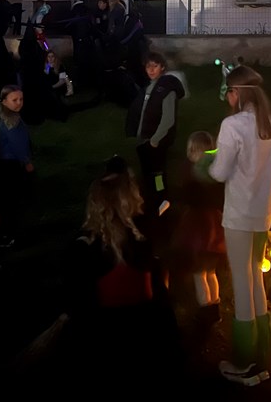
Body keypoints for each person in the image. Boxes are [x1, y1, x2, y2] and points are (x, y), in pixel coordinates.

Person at [54, 167, 183, 390]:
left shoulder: (82, 250)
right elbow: (161, 301)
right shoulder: (141, 243)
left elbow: (76, 305)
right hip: (145, 341)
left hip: (104, 345)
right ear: (129, 201)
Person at [207, 65, 271, 386]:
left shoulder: (232, 125)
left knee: (241, 280)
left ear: (237, 93)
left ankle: (244, 360)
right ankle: (262, 356)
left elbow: (220, 172)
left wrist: (207, 162)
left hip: (238, 215)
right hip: (262, 214)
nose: (227, 97)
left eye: (228, 92)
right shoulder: (268, 124)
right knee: (255, 277)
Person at [171, 130, 225, 340]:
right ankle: (214, 307)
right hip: (214, 229)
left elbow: (188, 195)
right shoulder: (215, 172)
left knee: (199, 273)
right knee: (210, 271)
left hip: (200, 232)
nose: (190, 154)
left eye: (193, 151)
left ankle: (206, 310)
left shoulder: (194, 174)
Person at [125, 52, 186, 222]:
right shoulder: (149, 88)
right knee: (147, 171)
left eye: (155, 66)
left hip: (155, 142)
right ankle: (150, 197)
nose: (151, 70)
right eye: (148, 66)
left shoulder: (166, 90)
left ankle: (162, 199)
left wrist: (155, 140)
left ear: (162, 67)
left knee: (157, 172)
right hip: (144, 140)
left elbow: (168, 119)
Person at [0, 85, 35, 248]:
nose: (19, 103)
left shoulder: (9, 117)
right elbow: (18, 145)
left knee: (12, 200)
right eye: (14, 100)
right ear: (4, 101)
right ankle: (9, 234)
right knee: (12, 201)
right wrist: (27, 162)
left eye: (21, 99)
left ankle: (10, 232)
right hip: (12, 165)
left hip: (9, 164)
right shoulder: (11, 122)